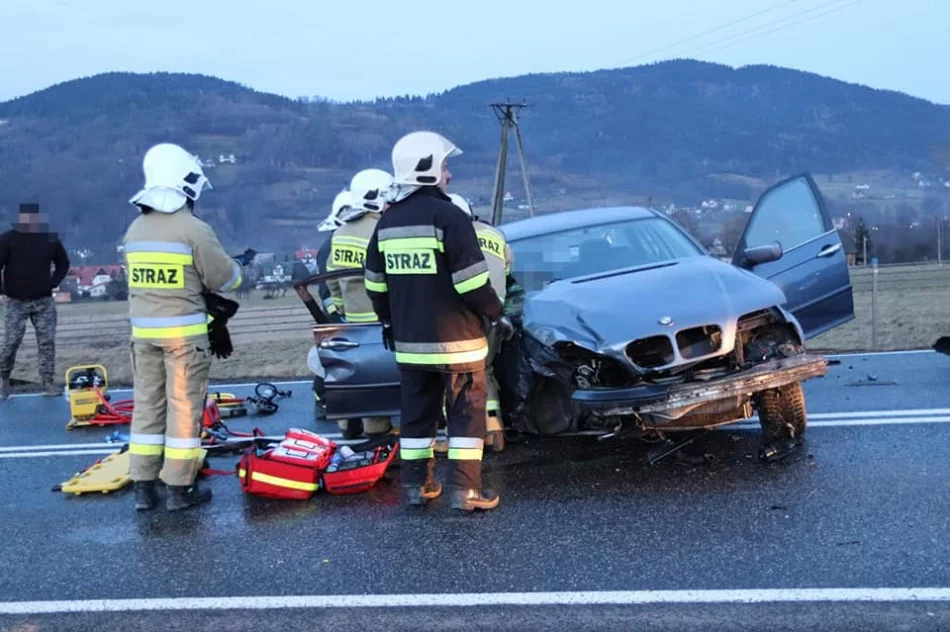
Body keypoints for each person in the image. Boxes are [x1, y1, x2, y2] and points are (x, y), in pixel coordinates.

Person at [364, 131, 514, 512]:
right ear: (428, 169)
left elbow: (375, 285)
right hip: (458, 343)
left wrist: (389, 323)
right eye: (445, 166)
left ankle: (416, 488)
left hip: (410, 346)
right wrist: (497, 314)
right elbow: (472, 283)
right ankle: (465, 492)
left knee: (416, 417)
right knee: (465, 415)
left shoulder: (387, 223)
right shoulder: (450, 217)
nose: (449, 174)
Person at [123, 143, 245, 512]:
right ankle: (179, 488)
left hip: (143, 337)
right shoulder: (194, 229)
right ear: (187, 185)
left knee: (147, 407)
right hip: (183, 340)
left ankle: (144, 487)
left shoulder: (135, 229)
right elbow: (225, 279)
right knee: (183, 410)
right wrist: (238, 268)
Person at [326, 168, 395, 439]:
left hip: (353, 321)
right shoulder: (384, 230)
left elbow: (332, 277)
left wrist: (342, 307)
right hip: (382, 319)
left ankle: (350, 428)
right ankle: (379, 436)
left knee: (360, 377)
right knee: (385, 378)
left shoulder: (340, 232)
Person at [448, 193, 514, 452]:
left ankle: (463, 435)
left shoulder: (451, 237)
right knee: (486, 369)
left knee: (455, 375)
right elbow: (506, 270)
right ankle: (494, 431)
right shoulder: (494, 234)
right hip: (495, 312)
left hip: (465, 316)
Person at [0, 203, 71, 400]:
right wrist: (3, 289)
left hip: (43, 301)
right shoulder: (8, 239)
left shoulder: (49, 238)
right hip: (15, 301)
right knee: (10, 343)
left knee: (47, 343)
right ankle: (3, 381)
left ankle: (47, 383)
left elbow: (63, 264)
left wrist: (53, 282)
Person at [316, 189, 352, 322]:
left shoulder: (339, 242)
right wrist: (338, 317)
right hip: (340, 318)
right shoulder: (329, 248)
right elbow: (326, 292)